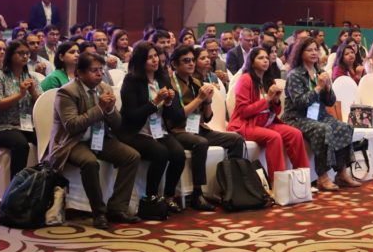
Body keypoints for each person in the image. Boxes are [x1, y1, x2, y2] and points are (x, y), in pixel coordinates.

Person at [48, 53, 141, 229]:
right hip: (72, 142)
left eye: (101, 70)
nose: (99, 74)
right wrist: (100, 108)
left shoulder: (104, 88)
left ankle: (118, 207)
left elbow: (118, 124)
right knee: (90, 162)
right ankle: (99, 213)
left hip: (99, 138)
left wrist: (111, 109)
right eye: (93, 70)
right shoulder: (67, 92)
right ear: (80, 73)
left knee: (132, 156)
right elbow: (72, 126)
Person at [167, 45, 245, 211]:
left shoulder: (196, 83)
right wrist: (199, 99)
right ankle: (197, 194)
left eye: (192, 60)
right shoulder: (170, 85)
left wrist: (208, 101)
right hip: (177, 131)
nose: (191, 64)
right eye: (186, 61)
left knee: (236, 139)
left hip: (199, 128)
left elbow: (208, 117)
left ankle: (232, 187)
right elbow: (177, 116)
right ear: (174, 64)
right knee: (200, 143)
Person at [281, 37, 361, 191]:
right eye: (309, 50)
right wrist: (318, 88)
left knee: (344, 127)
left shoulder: (320, 72)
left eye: (315, 49)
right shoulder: (295, 75)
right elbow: (300, 103)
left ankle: (342, 173)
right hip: (297, 117)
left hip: (318, 114)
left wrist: (328, 88)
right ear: (300, 52)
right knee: (322, 129)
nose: (313, 53)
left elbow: (330, 102)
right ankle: (322, 177)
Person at [117, 42, 185, 214]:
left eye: (156, 56)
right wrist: (154, 102)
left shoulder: (163, 79)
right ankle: (151, 197)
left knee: (178, 153)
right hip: (136, 131)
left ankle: (169, 196)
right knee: (160, 152)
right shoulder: (131, 81)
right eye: (150, 57)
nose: (155, 60)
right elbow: (131, 115)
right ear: (141, 61)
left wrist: (168, 103)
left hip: (158, 130)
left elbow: (176, 115)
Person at [228, 47, 309, 178]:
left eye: (266, 58)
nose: (265, 60)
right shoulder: (245, 80)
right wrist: (267, 99)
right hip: (246, 125)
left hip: (266, 123)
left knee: (295, 133)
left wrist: (276, 101)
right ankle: (278, 182)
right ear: (252, 62)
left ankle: (302, 178)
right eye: (260, 58)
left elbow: (276, 112)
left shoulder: (268, 80)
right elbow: (244, 112)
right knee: (274, 137)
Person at [0, 40, 40, 179]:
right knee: (20, 144)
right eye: (20, 53)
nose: (25, 56)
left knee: (46, 139)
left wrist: (33, 92)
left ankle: (40, 181)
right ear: (10, 55)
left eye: (27, 53)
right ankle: (15, 188)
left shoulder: (31, 77)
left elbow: (41, 104)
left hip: (25, 126)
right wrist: (20, 94)